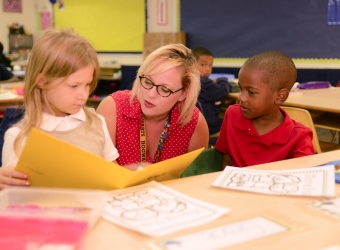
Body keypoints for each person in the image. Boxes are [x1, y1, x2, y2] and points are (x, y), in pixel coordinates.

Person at [0, 29, 119, 189]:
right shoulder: (19, 138)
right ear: (42, 81)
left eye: (87, 84)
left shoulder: (97, 123)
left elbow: (114, 177)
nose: (83, 95)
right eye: (74, 86)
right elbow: (16, 201)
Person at [96, 44, 209, 171]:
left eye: (164, 89)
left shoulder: (194, 122)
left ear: (183, 94)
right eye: (148, 82)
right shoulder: (113, 107)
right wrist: (138, 169)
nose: (150, 94)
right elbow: (99, 170)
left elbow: (196, 179)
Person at [215, 50, 314, 168]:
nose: (241, 97)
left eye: (251, 92)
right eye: (241, 89)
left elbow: (301, 179)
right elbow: (226, 161)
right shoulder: (233, 114)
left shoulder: (299, 138)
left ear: (280, 96)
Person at [192, 47, 230, 135]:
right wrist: (222, 79)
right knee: (234, 122)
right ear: (191, 64)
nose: (208, 69)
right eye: (203, 65)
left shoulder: (189, 79)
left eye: (210, 65)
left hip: (195, 125)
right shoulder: (203, 82)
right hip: (208, 125)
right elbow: (223, 91)